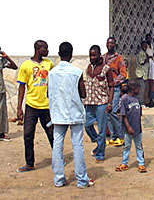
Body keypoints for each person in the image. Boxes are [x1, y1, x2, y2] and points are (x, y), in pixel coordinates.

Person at [49, 42, 94, 188]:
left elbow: (48, 93)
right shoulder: (76, 72)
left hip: (58, 112)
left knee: (57, 144)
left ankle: (59, 178)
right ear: (71, 53)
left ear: (59, 53)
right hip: (74, 111)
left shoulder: (52, 72)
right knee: (78, 145)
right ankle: (82, 180)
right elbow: (83, 93)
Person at [16, 40, 54, 172]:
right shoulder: (26, 65)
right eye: (45, 48)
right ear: (38, 49)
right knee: (28, 134)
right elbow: (22, 87)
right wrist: (19, 107)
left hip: (46, 106)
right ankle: (29, 163)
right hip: (31, 106)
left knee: (51, 133)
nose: (48, 51)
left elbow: (54, 83)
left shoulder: (49, 64)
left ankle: (58, 158)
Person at [84, 45, 114, 163]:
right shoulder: (88, 68)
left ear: (99, 55)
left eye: (94, 55)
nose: (92, 57)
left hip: (102, 102)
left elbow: (111, 86)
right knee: (87, 125)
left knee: (102, 130)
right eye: (90, 55)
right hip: (89, 102)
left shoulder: (106, 69)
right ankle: (99, 143)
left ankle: (100, 153)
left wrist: (110, 103)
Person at [115, 83, 147, 173]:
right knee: (127, 146)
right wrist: (128, 127)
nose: (139, 91)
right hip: (128, 129)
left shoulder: (137, 99)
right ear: (133, 89)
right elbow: (123, 115)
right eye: (138, 89)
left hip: (137, 128)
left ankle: (141, 164)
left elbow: (139, 113)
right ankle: (124, 163)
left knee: (139, 146)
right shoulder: (125, 99)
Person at [103, 36, 127, 147]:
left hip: (115, 88)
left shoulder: (119, 58)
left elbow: (123, 74)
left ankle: (121, 136)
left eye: (112, 43)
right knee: (107, 112)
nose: (110, 45)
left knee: (113, 111)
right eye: (108, 43)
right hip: (105, 88)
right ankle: (113, 136)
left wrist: (114, 82)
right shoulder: (103, 58)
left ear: (115, 44)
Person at [0, 47, 18, 141]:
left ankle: (1, 134)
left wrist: (7, 57)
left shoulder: (1, 61)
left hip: (1, 90)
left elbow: (14, 67)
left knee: (2, 112)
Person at [135, 41, 151, 106]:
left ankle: (142, 102)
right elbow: (142, 62)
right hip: (140, 74)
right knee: (141, 89)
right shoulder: (141, 53)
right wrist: (147, 58)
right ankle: (140, 103)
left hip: (144, 74)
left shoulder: (144, 52)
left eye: (146, 45)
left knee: (143, 89)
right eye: (144, 45)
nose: (145, 47)